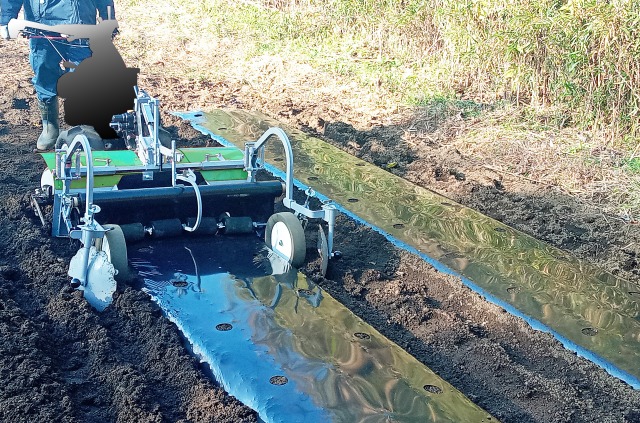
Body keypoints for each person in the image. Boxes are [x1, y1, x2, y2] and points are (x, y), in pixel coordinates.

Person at [0, 0, 115, 150]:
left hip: (81, 22)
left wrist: (108, 19)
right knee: (43, 72)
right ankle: (50, 126)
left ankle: (85, 127)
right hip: (41, 25)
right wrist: (6, 18)